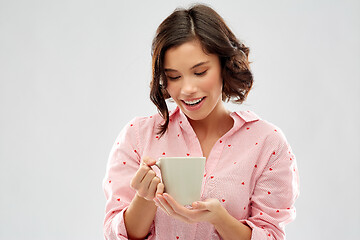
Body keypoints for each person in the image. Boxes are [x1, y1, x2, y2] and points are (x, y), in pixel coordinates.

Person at [103, 4, 299, 240]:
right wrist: (145, 198)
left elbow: (271, 235)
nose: (187, 89)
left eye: (200, 72)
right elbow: (115, 234)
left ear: (224, 65)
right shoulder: (138, 136)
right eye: (174, 76)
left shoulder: (268, 143)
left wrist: (219, 219)